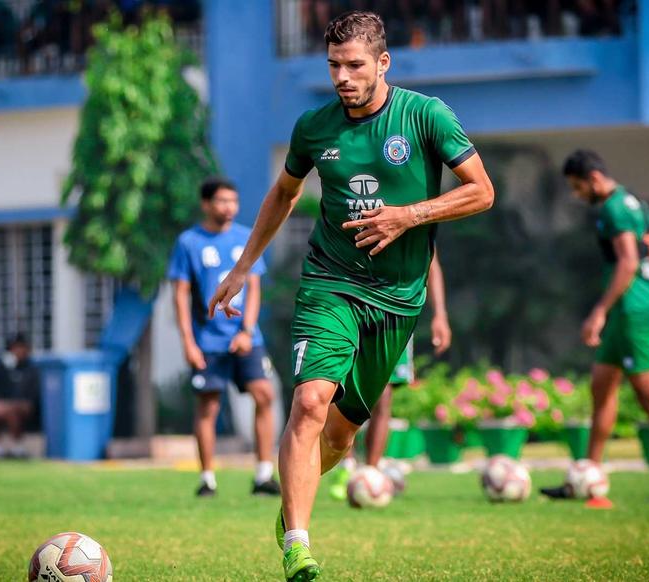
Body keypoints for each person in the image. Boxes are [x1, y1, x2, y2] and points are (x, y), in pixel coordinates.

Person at [207, 11, 494, 579]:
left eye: (354, 64)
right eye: (334, 65)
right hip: (330, 280)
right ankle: (297, 542)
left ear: (383, 63)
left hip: (397, 298)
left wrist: (409, 215)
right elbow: (284, 193)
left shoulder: (425, 116)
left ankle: (296, 499)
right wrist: (243, 267)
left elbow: (481, 191)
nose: (342, 76)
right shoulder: (314, 126)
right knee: (311, 401)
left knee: (340, 434)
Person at [540, 149, 649, 505]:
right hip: (637, 306)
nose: (577, 195)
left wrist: (599, 311)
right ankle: (588, 477)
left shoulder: (614, 208)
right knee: (602, 388)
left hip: (627, 309)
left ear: (594, 178)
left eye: (578, 187)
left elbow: (628, 262)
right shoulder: (636, 203)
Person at [168, 177, 282, 497]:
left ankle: (263, 475)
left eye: (233, 201)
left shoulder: (248, 238)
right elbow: (180, 294)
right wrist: (188, 342)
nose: (229, 207)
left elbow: (255, 288)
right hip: (207, 342)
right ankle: (207, 479)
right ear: (206, 204)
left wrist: (247, 331)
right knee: (208, 407)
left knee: (264, 395)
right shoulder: (188, 242)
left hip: (246, 339)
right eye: (221, 201)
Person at [328, 253, 452, 500]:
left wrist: (439, 313)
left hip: (394, 312)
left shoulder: (411, 214)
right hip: (349, 308)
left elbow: (431, 262)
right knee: (337, 389)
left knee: (383, 395)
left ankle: (371, 472)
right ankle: (345, 464)